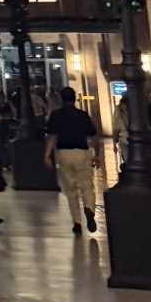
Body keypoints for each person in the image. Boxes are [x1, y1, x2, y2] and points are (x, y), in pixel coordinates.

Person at [44, 84, 104, 235]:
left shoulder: (56, 115)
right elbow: (94, 137)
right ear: (75, 98)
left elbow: (52, 137)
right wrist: (97, 155)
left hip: (63, 153)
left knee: (70, 189)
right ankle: (89, 209)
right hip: (81, 152)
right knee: (87, 186)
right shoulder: (83, 115)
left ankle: (77, 222)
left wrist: (47, 155)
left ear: (61, 99)